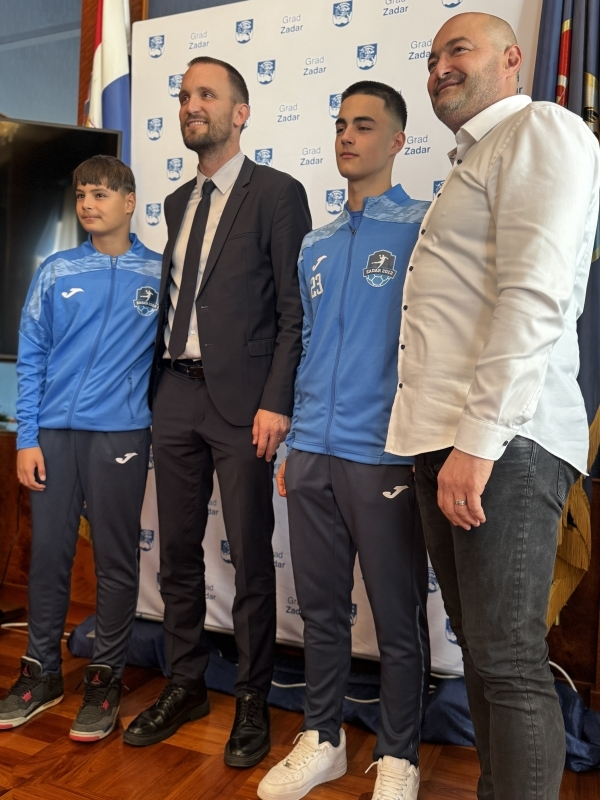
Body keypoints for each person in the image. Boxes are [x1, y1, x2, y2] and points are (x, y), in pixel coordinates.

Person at [385, 13, 600, 800]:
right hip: (446, 437)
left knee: (506, 661)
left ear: (512, 59)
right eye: (432, 55)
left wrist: (477, 444)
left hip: (501, 441)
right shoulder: (473, 161)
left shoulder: (540, 130)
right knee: (483, 656)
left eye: (459, 49)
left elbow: (535, 296)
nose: (440, 66)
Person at [123, 57, 311, 768]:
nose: (190, 104)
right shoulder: (177, 202)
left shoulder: (279, 194)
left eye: (206, 94)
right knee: (175, 553)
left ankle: (254, 698)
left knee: (251, 555)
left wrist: (276, 401)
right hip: (174, 393)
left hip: (244, 405)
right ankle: (186, 683)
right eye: (183, 95)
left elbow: (293, 312)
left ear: (241, 112)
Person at [257, 81, 430, 800]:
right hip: (313, 454)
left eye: (364, 125)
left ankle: (399, 756)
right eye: (340, 125)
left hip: (384, 455)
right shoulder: (316, 242)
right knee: (321, 612)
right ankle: (322, 738)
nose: (347, 137)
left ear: (397, 141)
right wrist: (295, 439)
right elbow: (303, 344)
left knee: (396, 618)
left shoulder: (424, 226)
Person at [0, 155, 162, 741]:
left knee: (116, 560)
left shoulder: (159, 274)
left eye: (101, 194)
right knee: (48, 555)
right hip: (53, 437)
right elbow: (32, 356)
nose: (88, 204)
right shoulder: (56, 269)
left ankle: (104, 678)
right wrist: (27, 437)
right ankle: (40, 673)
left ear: (129, 202)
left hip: (120, 434)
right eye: (81, 195)